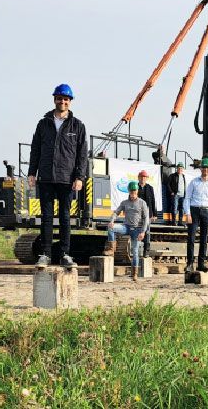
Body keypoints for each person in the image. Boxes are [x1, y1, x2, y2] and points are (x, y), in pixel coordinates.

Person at [27, 83, 88, 268]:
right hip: (45, 177)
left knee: (64, 217)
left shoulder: (78, 126)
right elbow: (35, 149)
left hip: (66, 179)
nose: (63, 101)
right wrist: (32, 172)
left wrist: (79, 177)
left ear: (70, 102)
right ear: (54, 99)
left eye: (66, 99)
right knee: (46, 217)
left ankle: (64, 255)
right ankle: (45, 255)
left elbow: (82, 154)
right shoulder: (43, 124)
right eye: (60, 98)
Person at [103, 181, 150, 282]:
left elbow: (146, 218)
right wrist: (112, 221)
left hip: (137, 230)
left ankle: (135, 274)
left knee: (135, 251)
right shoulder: (125, 203)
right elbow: (116, 212)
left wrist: (143, 232)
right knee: (111, 228)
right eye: (131, 192)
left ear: (137, 191)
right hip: (126, 227)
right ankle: (111, 249)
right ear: (128, 191)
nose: (133, 194)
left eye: (134, 192)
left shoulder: (142, 203)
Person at [183, 157, 208, 273]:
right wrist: (188, 213)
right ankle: (189, 263)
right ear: (201, 169)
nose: (205, 170)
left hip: (206, 211)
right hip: (194, 210)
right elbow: (187, 198)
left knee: (204, 239)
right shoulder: (194, 182)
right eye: (203, 168)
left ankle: (201, 264)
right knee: (191, 238)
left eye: (207, 168)